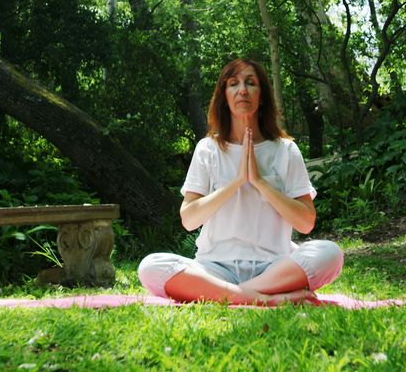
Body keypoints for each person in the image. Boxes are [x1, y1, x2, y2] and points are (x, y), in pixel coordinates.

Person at [138, 58, 343, 305]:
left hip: (273, 267)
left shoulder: (285, 150)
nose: (242, 90)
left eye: (251, 83)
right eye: (233, 84)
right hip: (215, 267)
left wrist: (258, 181)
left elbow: (306, 222)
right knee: (150, 267)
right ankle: (267, 299)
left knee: (330, 254)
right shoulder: (208, 149)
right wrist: (235, 182)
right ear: (224, 96)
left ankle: (234, 294)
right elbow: (189, 219)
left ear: (262, 96)